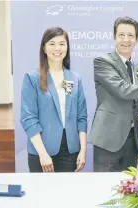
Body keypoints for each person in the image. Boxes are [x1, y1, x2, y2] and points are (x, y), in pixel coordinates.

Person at [89, 16, 138, 172]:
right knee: (104, 188)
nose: (126, 40)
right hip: (108, 139)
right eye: (121, 35)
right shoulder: (102, 61)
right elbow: (122, 89)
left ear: (137, 39)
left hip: (132, 140)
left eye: (131, 35)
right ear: (114, 37)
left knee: (128, 189)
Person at [20, 27, 88, 172]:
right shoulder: (32, 78)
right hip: (42, 151)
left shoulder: (75, 78)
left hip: (71, 151)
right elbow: (28, 119)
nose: (57, 48)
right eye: (52, 43)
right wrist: (43, 154)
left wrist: (83, 150)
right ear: (44, 48)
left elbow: (81, 118)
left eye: (62, 44)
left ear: (67, 48)